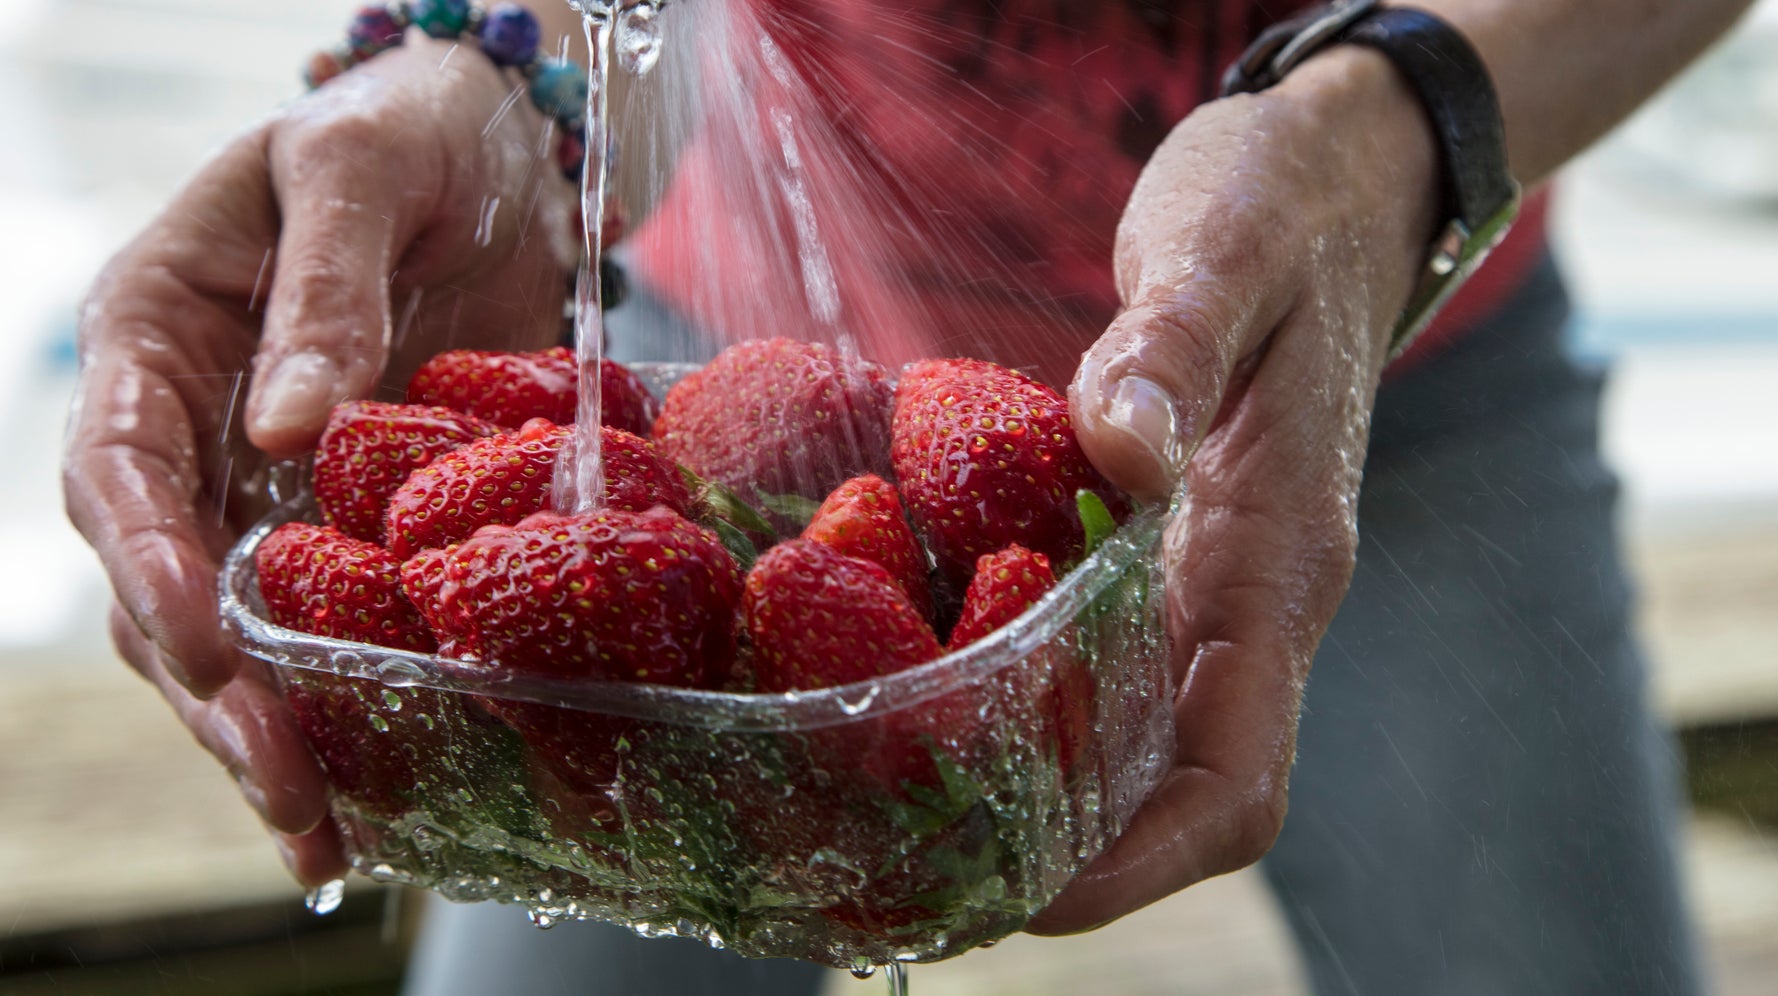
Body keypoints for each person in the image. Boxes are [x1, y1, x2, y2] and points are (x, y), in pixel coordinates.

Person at [62, 0, 1755, 992]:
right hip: (703, 392)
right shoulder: (633, 500)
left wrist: (1391, 132)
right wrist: (497, 75)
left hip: (1376, 367)